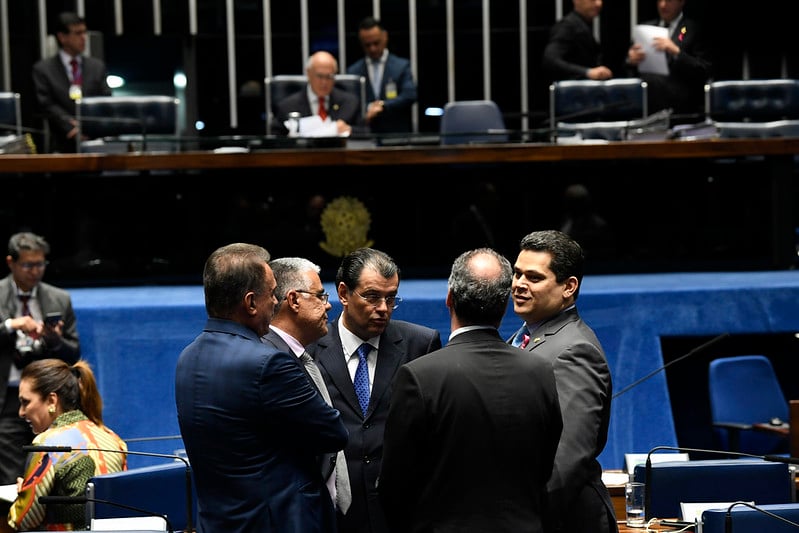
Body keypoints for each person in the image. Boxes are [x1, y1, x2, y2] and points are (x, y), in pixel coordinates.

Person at [379, 248, 563, 533]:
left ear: (449, 298)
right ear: (504, 303)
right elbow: (545, 467)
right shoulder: (539, 371)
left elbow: (394, 484)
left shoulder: (419, 376)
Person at [174, 243, 348, 533]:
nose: (276, 303)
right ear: (251, 302)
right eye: (272, 294)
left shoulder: (187, 357)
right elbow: (333, 432)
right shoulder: (268, 363)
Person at [307, 247, 442, 533]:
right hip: (336, 513)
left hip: (403, 513)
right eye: (372, 297)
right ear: (343, 294)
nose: (383, 308)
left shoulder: (421, 343)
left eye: (391, 298)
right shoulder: (310, 350)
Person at [507, 229, 617, 533]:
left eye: (534, 277)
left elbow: (566, 460)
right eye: (517, 274)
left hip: (561, 520)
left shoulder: (576, 350)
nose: (518, 285)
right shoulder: (521, 338)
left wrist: (518, 520)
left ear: (569, 287)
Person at [261, 256, 351, 523]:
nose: (328, 305)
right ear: (294, 299)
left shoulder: (296, 354)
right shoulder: (271, 359)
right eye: (321, 296)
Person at [6, 359, 127, 532]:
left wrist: (23, 495)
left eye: (26, 402)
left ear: (51, 401)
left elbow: (23, 520)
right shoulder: (113, 438)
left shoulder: (46, 444)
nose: (21, 412)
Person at [0, 232, 80, 488]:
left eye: (40, 264)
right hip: (7, 399)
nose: (35, 271)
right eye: (27, 265)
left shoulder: (59, 298)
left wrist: (55, 341)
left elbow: (73, 353)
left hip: (49, 398)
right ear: (11, 262)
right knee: (11, 478)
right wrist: (12, 325)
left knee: (51, 471)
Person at [32, 12, 111, 153]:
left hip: (94, 140)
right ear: (62, 37)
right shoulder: (43, 69)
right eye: (78, 33)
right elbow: (46, 104)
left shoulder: (97, 66)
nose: (84, 38)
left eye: (84, 32)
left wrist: (89, 126)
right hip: (61, 142)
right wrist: (70, 125)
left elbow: (105, 98)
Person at [625, 0, 711, 117]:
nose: (663, 5)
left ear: (681, 2)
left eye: (669, 0)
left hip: (683, 109)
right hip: (648, 107)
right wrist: (631, 60)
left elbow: (704, 70)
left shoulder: (692, 29)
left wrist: (676, 52)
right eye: (659, 0)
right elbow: (627, 69)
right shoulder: (646, 29)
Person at [346, 16, 417, 134]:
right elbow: (350, 102)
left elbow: (410, 95)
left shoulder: (401, 66)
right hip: (365, 136)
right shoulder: (353, 71)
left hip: (396, 136)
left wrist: (382, 106)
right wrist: (367, 109)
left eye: (376, 43)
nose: (372, 48)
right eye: (367, 45)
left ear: (385, 36)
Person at [274, 51, 361, 137]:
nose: (324, 82)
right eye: (319, 76)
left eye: (329, 77)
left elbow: (366, 132)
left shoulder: (350, 103)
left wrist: (349, 129)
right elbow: (275, 139)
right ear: (308, 73)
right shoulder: (287, 106)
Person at [541, 0, 613, 82]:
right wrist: (587, 72)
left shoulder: (581, 23)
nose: (599, 3)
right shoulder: (568, 26)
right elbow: (550, 60)